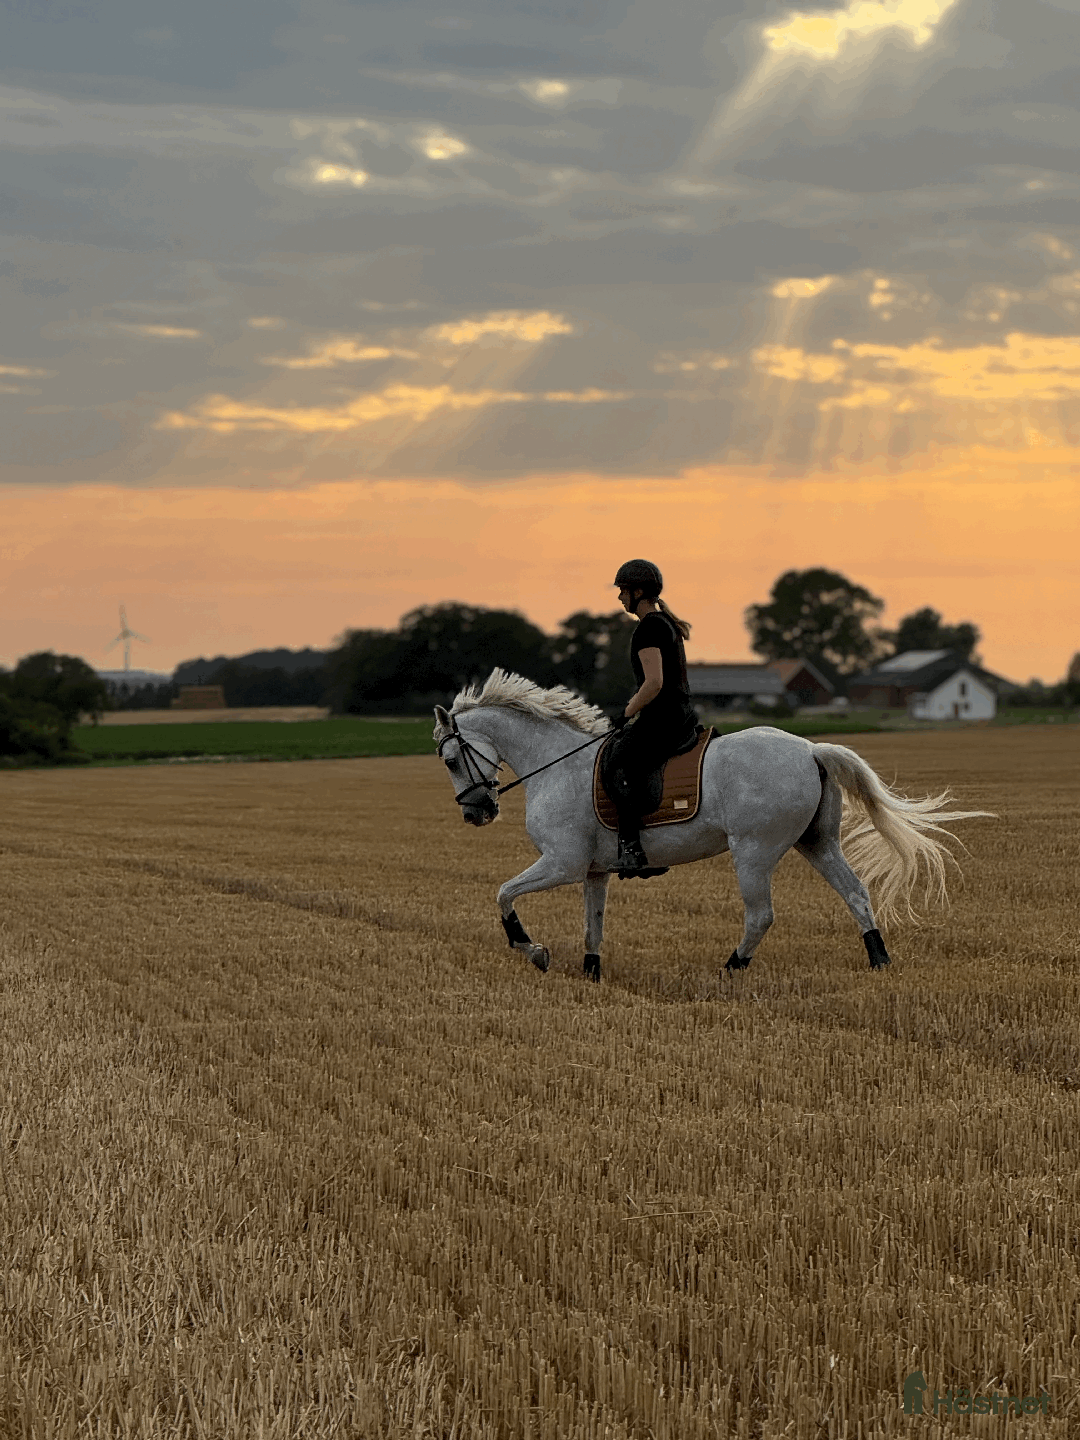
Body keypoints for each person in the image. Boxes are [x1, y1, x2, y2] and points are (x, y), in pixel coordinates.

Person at [606, 559, 699, 877]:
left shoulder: (649, 628)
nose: (620, 597)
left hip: (663, 718)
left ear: (638, 592)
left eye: (623, 591)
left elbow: (654, 683)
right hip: (679, 715)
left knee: (619, 763)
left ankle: (633, 850)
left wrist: (626, 713)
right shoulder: (666, 623)